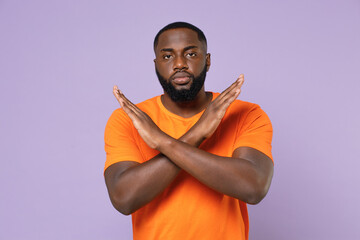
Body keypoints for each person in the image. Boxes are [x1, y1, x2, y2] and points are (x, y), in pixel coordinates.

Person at [104, 22, 274, 240]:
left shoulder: (246, 114)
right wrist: (197, 134)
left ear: (207, 60)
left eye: (191, 53)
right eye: (167, 57)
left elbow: (253, 187)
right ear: (156, 64)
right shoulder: (129, 119)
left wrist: (162, 142)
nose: (179, 64)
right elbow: (124, 198)